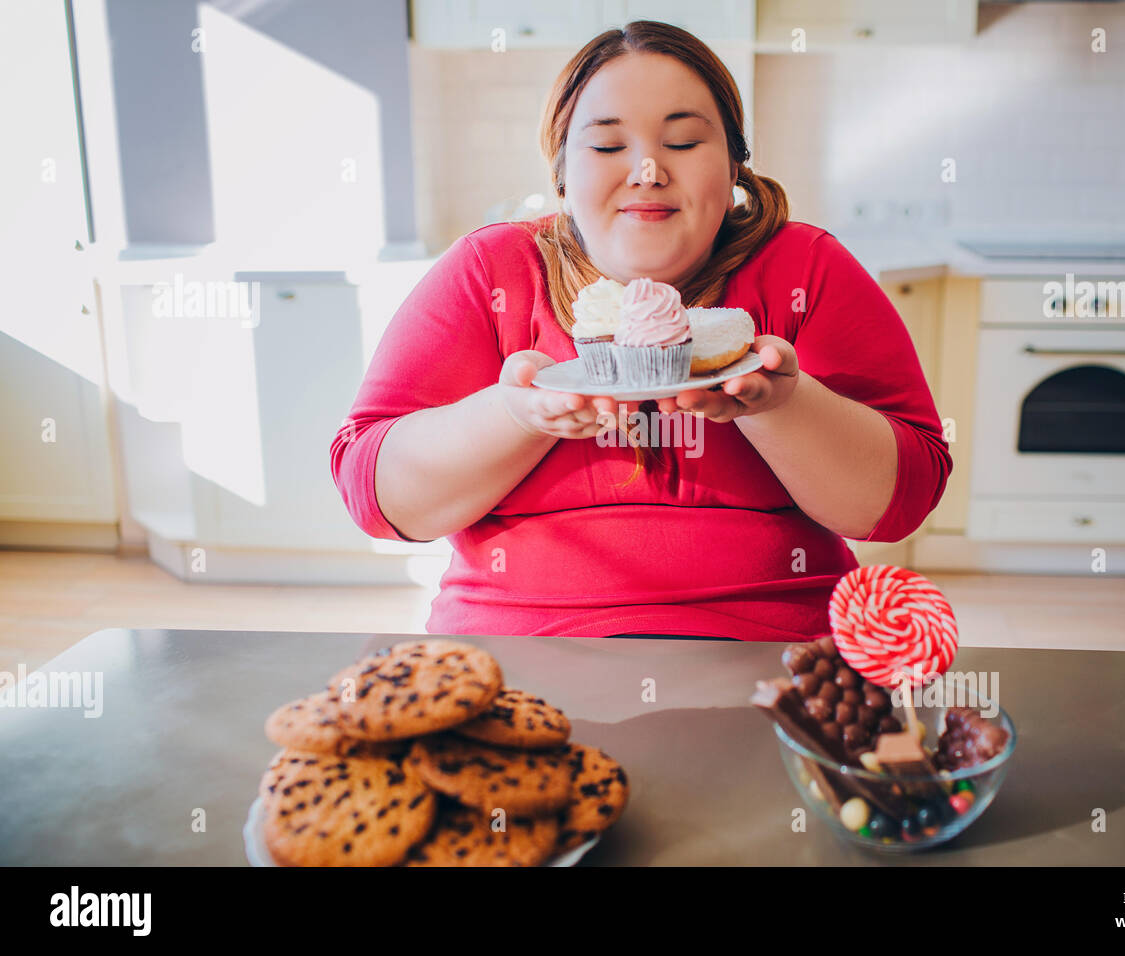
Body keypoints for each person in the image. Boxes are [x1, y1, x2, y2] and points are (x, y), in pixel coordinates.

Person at [330, 21, 951, 643]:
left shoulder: (805, 268)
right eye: (605, 147)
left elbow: (899, 503)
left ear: (734, 162)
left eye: (682, 142)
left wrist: (783, 405)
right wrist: (518, 416)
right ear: (563, 170)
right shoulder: (491, 270)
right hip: (520, 653)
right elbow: (377, 499)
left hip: (777, 658)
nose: (647, 170)